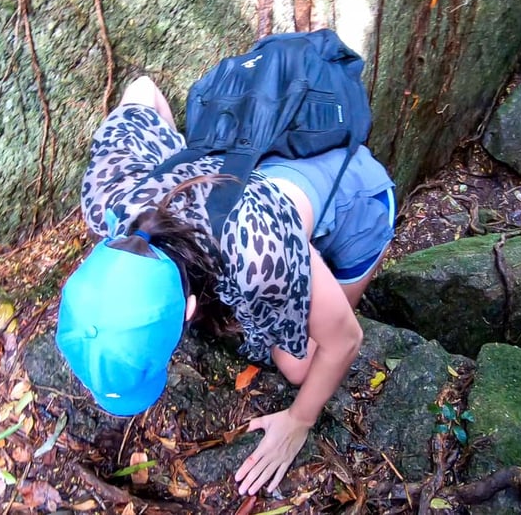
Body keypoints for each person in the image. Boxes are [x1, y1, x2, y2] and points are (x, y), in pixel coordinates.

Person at [56, 74, 395, 496]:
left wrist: (298, 422)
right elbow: (143, 89)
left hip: (357, 202)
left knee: (297, 366)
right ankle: (305, 263)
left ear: (189, 310)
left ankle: (312, 265)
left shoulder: (255, 256)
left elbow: (346, 340)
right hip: (265, 187)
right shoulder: (110, 193)